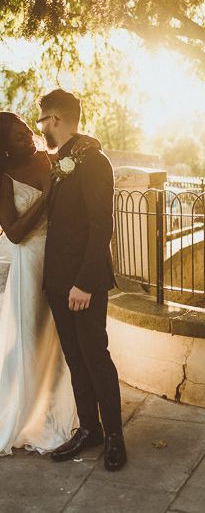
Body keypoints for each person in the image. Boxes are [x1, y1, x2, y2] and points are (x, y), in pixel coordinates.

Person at [36, 89, 126, 471]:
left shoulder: (94, 161)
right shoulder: (63, 160)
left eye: (42, 122)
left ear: (54, 118)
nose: (41, 130)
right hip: (57, 280)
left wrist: (85, 283)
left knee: (95, 357)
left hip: (81, 282)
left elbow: (100, 223)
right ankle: (89, 428)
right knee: (75, 358)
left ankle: (115, 437)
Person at [0, 112, 78, 455]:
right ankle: (24, 412)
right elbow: (14, 233)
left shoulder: (53, 159)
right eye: (16, 136)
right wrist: (46, 195)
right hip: (31, 263)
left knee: (64, 340)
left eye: (25, 129)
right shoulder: (5, 179)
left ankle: (65, 412)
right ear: (3, 146)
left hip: (63, 257)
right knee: (30, 340)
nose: (27, 136)